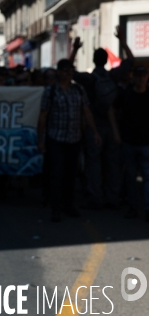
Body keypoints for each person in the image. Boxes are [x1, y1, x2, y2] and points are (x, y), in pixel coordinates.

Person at [38, 59, 101, 222]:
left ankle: (69, 205)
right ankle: (56, 208)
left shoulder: (78, 90)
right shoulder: (51, 92)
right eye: (65, 70)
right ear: (59, 72)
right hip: (56, 138)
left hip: (74, 139)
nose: (68, 74)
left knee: (71, 174)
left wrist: (94, 131)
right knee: (57, 174)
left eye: (71, 71)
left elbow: (86, 111)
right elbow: (43, 116)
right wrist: (40, 140)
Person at [69, 38, 121, 209]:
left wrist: (75, 49)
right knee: (112, 162)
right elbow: (130, 63)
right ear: (106, 60)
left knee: (94, 162)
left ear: (93, 60)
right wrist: (122, 40)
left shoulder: (89, 79)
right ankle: (113, 195)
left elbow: (69, 72)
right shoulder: (113, 76)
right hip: (112, 126)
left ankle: (95, 195)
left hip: (95, 125)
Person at [115, 66, 149, 220]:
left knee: (147, 177)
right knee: (130, 177)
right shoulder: (126, 94)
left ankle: (146, 208)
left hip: (146, 143)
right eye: (138, 76)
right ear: (133, 77)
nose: (141, 79)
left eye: (144, 75)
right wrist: (116, 132)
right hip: (129, 141)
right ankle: (133, 207)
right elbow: (112, 109)